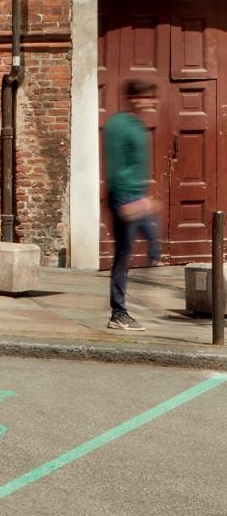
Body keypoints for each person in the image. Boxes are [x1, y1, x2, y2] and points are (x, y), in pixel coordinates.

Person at [104, 77, 161, 331]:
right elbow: (115, 166)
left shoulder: (137, 125)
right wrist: (123, 203)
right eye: (147, 97)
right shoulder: (118, 126)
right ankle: (118, 312)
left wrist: (145, 199)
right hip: (124, 197)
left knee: (154, 249)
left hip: (138, 197)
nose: (151, 102)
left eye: (152, 97)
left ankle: (136, 300)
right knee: (123, 255)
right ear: (134, 98)